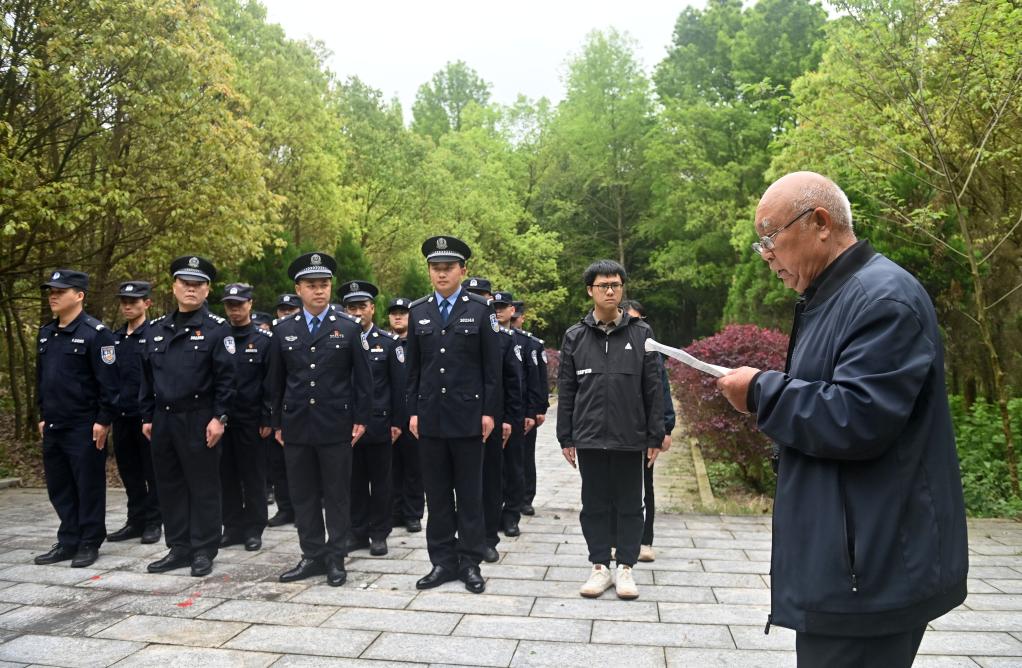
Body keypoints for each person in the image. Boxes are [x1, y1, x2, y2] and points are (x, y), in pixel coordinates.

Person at [716, 171, 968, 667]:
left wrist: (761, 391)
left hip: (872, 571)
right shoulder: (832, 296)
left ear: (820, 223)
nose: (765, 254)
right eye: (760, 244)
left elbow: (858, 416)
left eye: (770, 237)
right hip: (848, 564)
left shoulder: (882, 298)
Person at [557, 259, 664, 600]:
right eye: (603, 285)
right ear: (590, 290)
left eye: (615, 285)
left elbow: (654, 387)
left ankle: (626, 568)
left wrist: (656, 435)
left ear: (622, 289)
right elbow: (567, 389)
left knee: (631, 504)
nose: (609, 291)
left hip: (630, 436)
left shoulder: (641, 333)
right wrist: (565, 436)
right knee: (594, 504)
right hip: (589, 436)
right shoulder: (575, 336)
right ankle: (600, 565)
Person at [268, 252, 372, 587]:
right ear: (298, 289)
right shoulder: (283, 329)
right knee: (303, 493)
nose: (319, 291)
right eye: (312, 285)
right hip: (296, 424)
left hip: (335, 425)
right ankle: (312, 555)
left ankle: (336, 557)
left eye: (324, 284)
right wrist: (276, 422)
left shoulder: (348, 327)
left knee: (337, 494)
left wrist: (361, 418)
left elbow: (363, 379)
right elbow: (275, 381)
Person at [405, 236, 501, 594]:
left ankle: (470, 561)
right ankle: (442, 561)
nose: (441, 273)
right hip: (431, 417)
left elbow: (492, 369)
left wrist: (489, 412)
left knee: (470, 494)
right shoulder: (419, 311)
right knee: (438, 494)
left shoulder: (481, 310)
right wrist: (413, 411)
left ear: (463, 270)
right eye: (435, 268)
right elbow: (413, 370)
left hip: (468, 416)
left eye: (448, 268)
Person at [140, 255, 236, 577]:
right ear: (174, 287)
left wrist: (220, 417)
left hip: (200, 418)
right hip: (164, 419)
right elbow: (146, 377)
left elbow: (227, 379)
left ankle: (204, 549)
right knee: (170, 486)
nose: (191, 289)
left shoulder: (217, 329)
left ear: (207, 290)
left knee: (203, 486)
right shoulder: (156, 329)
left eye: (198, 284)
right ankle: (179, 547)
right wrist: (147, 416)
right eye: (185, 283)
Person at [34, 269, 119, 568]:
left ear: (79, 295)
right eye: (51, 291)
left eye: (60, 291)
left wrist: (103, 420)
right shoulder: (46, 333)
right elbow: (41, 379)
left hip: (84, 425)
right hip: (54, 423)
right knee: (59, 487)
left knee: (88, 485)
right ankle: (68, 539)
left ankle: (89, 541)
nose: (53, 296)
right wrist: (42, 415)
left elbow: (109, 383)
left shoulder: (96, 333)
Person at [341, 280, 402, 557]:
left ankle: (379, 533)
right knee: (353, 482)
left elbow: (398, 387)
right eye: (351, 307)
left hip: (379, 424)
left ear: (372, 308)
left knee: (381, 483)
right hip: (346, 425)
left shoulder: (388, 343)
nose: (357, 312)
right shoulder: (339, 340)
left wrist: (397, 422)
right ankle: (357, 532)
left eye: (362, 306)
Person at [463, 279, 522, 564]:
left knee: (489, 480)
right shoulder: (449, 332)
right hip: (458, 419)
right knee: (462, 483)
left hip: (492, 420)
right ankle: (464, 537)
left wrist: (509, 418)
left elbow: (512, 383)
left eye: (482, 295)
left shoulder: (504, 339)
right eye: (471, 294)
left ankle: (487, 538)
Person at [615, 299, 675, 563]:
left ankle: (644, 540)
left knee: (643, 486)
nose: (635, 325)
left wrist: (665, 428)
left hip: (643, 431)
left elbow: (662, 390)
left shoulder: (651, 351)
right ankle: (616, 539)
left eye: (639, 320)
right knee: (613, 487)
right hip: (613, 430)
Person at [219, 283, 273, 552]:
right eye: (230, 305)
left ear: (250, 304)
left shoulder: (264, 341)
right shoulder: (218, 337)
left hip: (252, 420)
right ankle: (231, 526)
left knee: (253, 477)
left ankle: (254, 527)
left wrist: (267, 417)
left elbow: (271, 383)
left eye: (239, 304)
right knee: (225, 475)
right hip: (223, 419)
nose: (234, 309)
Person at [108, 281, 162, 546]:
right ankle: (135, 520)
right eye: (124, 302)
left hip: (147, 417)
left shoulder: (155, 335)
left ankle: (154, 521)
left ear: (147, 303)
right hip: (122, 415)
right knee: (129, 472)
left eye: (134, 301)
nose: (128, 306)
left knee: (152, 471)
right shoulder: (115, 338)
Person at [492, 291, 535, 539]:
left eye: (502, 306)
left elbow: (523, 380)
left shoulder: (519, 341)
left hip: (512, 412)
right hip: (487, 414)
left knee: (514, 466)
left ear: (513, 311)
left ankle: (511, 516)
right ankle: (492, 515)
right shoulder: (483, 336)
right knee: (491, 471)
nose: (498, 311)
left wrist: (531, 411)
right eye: (494, 306)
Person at [387, 297, 424, 533]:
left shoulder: (420, 343)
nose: (398, 316)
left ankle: (413, 513)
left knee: (414, 468)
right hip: (389, 417)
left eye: (403, 312)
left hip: (414, 416)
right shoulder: (383, 343)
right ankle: (395, 511)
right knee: (391, 469)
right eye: (394, 313)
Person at [266, 293, 301, 527]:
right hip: (281, 411)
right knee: (279, 466)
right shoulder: (276, 335)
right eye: (282, 310)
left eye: (291, 309)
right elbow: (273, 378)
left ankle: (301, 510)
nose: (286, 313)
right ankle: (285, 508)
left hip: (304, 412)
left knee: (302, 469)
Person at [510, 300, 547, 517]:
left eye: (516, 319)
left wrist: (537, 409)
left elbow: (537, 379)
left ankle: (525, 497)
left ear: (521, 318)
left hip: (524, 409)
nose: (513, 322)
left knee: (525, 456)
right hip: (506, 410)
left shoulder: (530, 343)